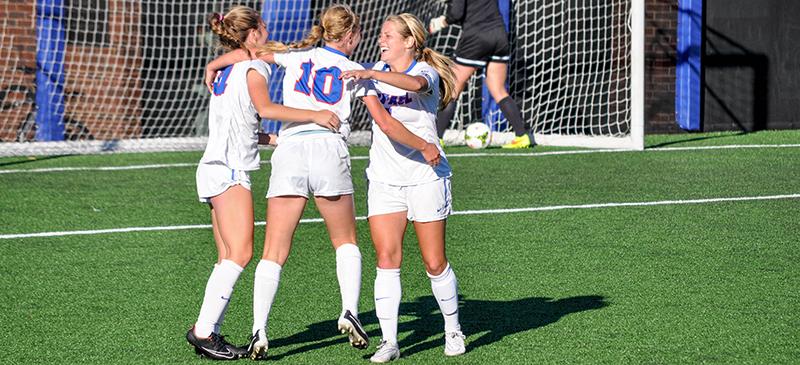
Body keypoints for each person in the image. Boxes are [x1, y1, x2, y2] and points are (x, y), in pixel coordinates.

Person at [204, 4, 441, 360]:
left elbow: (250, 52)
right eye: (361, 34)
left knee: (273, 252)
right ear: (349, 36)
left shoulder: (294, 56)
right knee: (345, 242)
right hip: (329, 149)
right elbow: (385, 122)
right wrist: (423, 144)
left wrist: (213, 63)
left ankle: (259, 329)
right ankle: (349, 310)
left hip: (291, 150)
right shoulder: (355, 71)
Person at [188, 5, 340, 360]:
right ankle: (203, 331)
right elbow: (267, 108)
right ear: (254, 31)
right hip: (227, 171)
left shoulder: (230, 67)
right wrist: (315, 114)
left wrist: (273, 140)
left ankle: (208, 330)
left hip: (213, 168)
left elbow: (240, 123)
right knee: (241, 254)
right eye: (263, 24)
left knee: (227, 256)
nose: (268, 28)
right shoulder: (252, 68)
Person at [339, 13, 466, 363]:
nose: (382, 39)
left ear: (410, 41)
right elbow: (383, 122)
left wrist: (371, 73)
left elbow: (413, 87)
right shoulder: (371, 74)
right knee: (387, 259)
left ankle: (453, 330)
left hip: (426, 176)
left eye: (389, 35)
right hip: (384, 178)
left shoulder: (424, 72)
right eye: (381, 34)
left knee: (434, 261)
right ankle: (390, 342)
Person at [429, 0, 535, 149]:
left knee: (451, 89)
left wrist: (441, 22)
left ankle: (436, 139)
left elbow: (457, 14)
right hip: (499, 35)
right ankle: (522, 137)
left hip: (476, 37)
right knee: (498, 90)